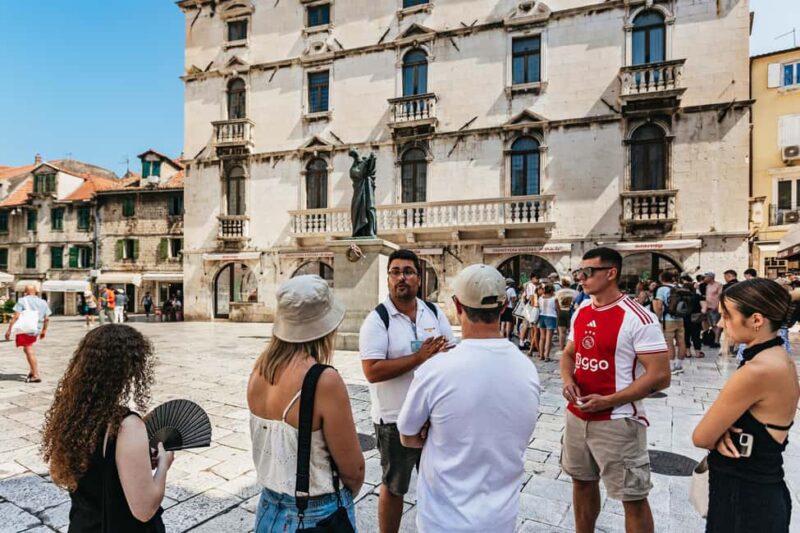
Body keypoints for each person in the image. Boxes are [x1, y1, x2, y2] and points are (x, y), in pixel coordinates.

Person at [397, 264, 540, 532]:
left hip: (442, 519)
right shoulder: (527, 369)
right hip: (500, 519)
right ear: (502, 307)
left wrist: (432, 429)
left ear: (457, 306)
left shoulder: (435, 370)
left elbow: (407, 435)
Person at [560, 247, 670, 533]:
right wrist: (568, 380)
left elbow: (660, 376)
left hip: (618, 421)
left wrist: (608, 400)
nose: (581, 278)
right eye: (578, 272)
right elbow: (568, 353)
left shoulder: (638, 318)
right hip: (578, 415)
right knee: (581, 481)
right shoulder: (582, 310)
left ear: (611, 273)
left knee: (632, 497)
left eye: (588, 272)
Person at [248, 275, 363, 531]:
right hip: (315, 514)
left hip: (268, 509)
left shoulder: (259, 371)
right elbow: (354, 470)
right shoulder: (324, 381)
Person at [41, 324, 173, 532]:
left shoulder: (72, 414)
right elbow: (144, 509)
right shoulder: (127, 425)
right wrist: (164, 465)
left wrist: (138, 461)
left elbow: (93, 471)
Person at [692, 279, 799, 532]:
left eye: (727, 316)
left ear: (756, 320)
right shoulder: (778, 357)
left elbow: (701, 436)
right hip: (761, 492)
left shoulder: (758, 370)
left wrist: (717, 434)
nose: (720, 324)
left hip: (743, 499)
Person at [359, 249, 454, 533]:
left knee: (437, 485)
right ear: (388, 279)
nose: (402, 277)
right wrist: (419, 357)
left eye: (408, 271)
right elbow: (372, 371)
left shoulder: (434, 313)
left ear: (419, 278)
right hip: (394, 421)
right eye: (395, 272)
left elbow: (451, 355)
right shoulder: (377, 320)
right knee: (394, 486)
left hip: (434, 420)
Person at [4, 285, 52, 383]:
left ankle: (35, 375)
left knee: (29, 349)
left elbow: (16, 316)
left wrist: (9, 330)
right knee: (27, 349)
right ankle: (32, 370)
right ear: (35, 292)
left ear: (25, 292)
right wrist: (44, 331)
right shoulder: (43, 302)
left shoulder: (22, 300)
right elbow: (47, 318)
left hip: (26, 329)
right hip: (36, 329)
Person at [653, 271, 688, 375]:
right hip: (680, 318)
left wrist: (658, 318)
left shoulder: (662, 289)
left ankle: (671, 366)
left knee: (669, 343)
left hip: (667, 319)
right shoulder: (678, 287)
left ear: (661, 279)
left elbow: (659, 306)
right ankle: (679, 365)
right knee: (681, 341)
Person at [681, 275, 705, 358]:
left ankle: (687, 352)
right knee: (696, 335)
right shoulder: (698, 296)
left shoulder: (681, 297)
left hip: (684, 317)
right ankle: (698, 353)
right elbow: (704, 308)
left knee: (686, 335)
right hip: (695, 317)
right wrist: (701, 314)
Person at [537, 284, 560, 362]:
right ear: (552, 291)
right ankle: (547, 356)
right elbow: (558, 310)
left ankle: (541, 355)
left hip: (541, 317)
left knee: (542, 337)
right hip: (551, 317)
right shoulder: (554, 299)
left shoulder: (540, 298)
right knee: (548, 338)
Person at [556, 279, 577, 351]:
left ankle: (562, 348)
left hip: (561, 312)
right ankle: (570, 349)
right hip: (570, 312)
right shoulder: (575, 292)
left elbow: (555, 302)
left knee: (562, 333)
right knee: (571, 331)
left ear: (562, 284)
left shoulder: (558, 292)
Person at [704, 273, 723, 348]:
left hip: (715, 307)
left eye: (706, 277)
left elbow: (720, 296)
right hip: (708, 307)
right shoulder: (707, 286)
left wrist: (718, 305)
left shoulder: (718, 285)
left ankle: (716, 341)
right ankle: (714, 339)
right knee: (712, 324)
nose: (705, 278)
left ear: (710, 277)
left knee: (717, 324)